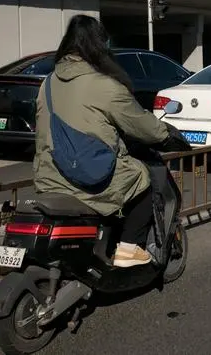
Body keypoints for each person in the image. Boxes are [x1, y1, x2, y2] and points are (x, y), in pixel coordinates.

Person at [33, 14, 170, 268]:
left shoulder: (47, 83)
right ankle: (129, 249)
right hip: (85, 177)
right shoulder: (104, 85)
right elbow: (142, 125)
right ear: (99, 45)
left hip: (48, 175)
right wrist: (166, 133)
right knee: (141, 177)